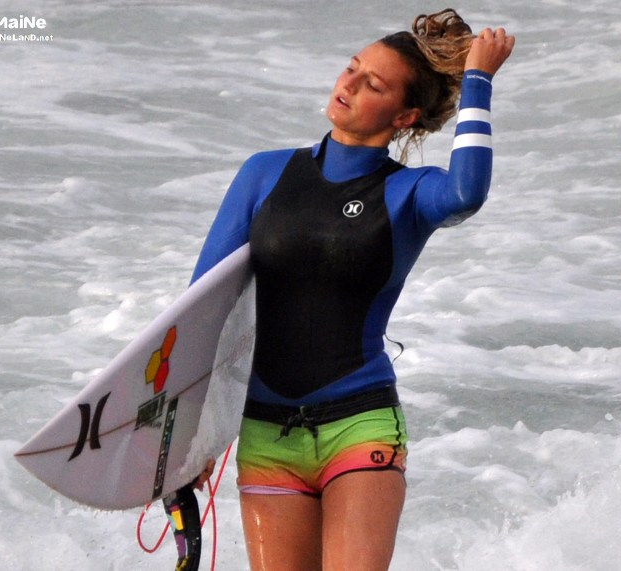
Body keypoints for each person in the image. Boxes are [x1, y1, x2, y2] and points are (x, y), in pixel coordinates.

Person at [189, 8, 514, 571]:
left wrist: (478, 81)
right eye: (351, 68)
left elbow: (466, 193)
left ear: (404, 116)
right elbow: (201, 308)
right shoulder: (264, 174)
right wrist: (192, 438)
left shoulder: (410, 193)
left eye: (374, 85)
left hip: (360, 424)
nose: (349, 84)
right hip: (266, 434)